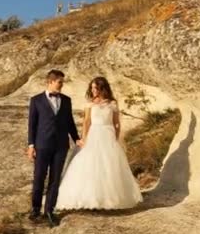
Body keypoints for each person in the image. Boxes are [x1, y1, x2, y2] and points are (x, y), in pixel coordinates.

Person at [55, 77, 143, 211]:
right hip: (94, 135)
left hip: (108, 135)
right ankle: (90, 198)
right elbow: (86, 122)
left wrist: (116, 138)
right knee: (90, 165)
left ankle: (108, 199)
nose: (93, 90)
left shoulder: (112, 103)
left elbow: (116, 123)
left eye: (95, 88)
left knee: (109, 167)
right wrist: (83, 139)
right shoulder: (90, 104)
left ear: (102, 88)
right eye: (91, 88)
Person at [27, 69, 81, 227]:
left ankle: (49, 210)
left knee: (55, 179)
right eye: (60, 82)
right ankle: (35, 209)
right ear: (50, 81)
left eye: (62, 83)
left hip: (61, 145)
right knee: (39, 177)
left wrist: (76, 138)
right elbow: (32, 125)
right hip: (42, 145)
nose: (62, 85)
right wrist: (31, 145)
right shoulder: (36, 100)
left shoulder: (66, 100)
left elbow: (70, 122)